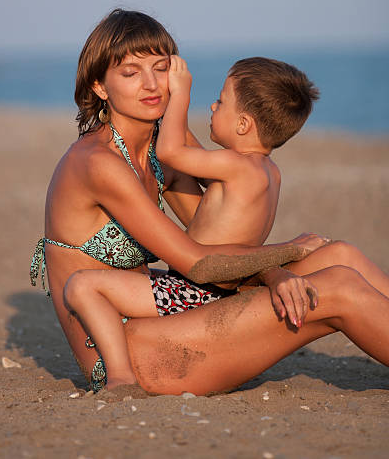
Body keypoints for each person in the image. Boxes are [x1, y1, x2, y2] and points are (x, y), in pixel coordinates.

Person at [30, 8, 389, 395]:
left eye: (161, 67)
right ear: (100, 87)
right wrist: (285, 254)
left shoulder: (159, 149)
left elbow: (216, 238)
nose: (151, 84)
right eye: (131, 73)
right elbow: (198, 263)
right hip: (132, 354)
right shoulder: (98, 163)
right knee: (339, 287)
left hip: (177, 313)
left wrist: (276, 273)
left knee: (341, 257)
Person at [64, 53, 322, 389]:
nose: (213, 108)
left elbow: (170, 152)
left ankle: (121, 377)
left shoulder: (236, 166)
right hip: (215, 289)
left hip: (193, 291)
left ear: (243, 124)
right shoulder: (268, 172)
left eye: (220, 101)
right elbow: (183, 150)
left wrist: (182, 93)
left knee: (82, 285)